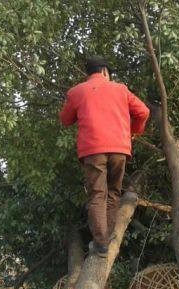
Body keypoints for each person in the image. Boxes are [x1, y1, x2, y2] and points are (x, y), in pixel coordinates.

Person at [60, 56, 150, 257]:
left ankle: (100, 245)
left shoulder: (77, 92)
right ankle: (107, 237)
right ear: (104, 72)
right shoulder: (120, 89)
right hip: (119, 150)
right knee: (113, 193)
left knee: (97, 195)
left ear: (89, 73)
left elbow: (65, 120)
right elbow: (143, 112)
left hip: (93, 151)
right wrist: (133, 132)